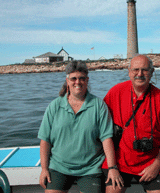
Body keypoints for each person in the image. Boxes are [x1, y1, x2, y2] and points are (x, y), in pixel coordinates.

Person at [38, 61, 123, 193]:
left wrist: (112, 167)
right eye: (74, 78)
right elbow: (45, 140)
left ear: (87, 80)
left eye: (82, 78)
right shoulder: (54, 106)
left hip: (90, 168)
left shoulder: (98, 105)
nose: (78, 82)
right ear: (67, 80)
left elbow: (107, 139)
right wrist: (44, 169)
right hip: (59, 166)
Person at [102, 54, 160, 193]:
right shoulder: (115, 92)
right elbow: (99, 124)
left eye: (145, 70)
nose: (140, 74)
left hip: (152, 162)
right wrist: (112, 167)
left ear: (152, 72)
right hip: (119, 162)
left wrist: (157, 165)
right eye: (135, 70)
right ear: (129, 71)